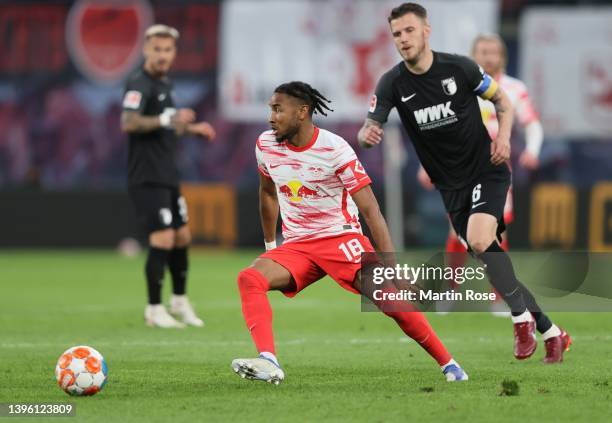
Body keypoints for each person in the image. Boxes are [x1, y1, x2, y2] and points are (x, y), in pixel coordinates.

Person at [358, 3, 570, 363]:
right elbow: (369, 128)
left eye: (410, 31)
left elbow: (502, 100)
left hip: (488, 169)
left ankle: (520, 320)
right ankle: (551, 330)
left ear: (426, 32)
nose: (403, 39)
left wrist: (503, 138)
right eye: (397, 34)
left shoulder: (459, 67)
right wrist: (368, 134)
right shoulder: (392, 82)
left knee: (480, 239)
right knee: (490, 257)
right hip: (450, 186)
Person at [231, 81, 468, 385]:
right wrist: (269, 245)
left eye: (278, 109)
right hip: (298, 245)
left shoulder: (335, 149)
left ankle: (450, 365)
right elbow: (267, 194)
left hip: (340, 238)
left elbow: (371, 212)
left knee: (389, 300)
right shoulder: (266, 145)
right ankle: (268, 361)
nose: (271, 117)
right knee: (249, 277)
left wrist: (393, 271)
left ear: (302, 112)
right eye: (270, 109)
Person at [416, 33, 545, 316]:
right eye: (483, 51)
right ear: (474, 55)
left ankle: (499, 296)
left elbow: (533, 124)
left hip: (495, 171)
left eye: (493, 51)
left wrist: (533, 150)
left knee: (496, 232)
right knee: (458, 232)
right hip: (459, 170)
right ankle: (450, 290)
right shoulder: (457, 86)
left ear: (502, 56)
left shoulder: (513, 89)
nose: (488, 56)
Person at [120, 24, 216, 328]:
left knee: (182, 236)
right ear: (146, 50)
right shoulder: (139, 83)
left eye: (167, 50)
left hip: (168, 174)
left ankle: (178, 300)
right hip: (147, 176)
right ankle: (153, 309)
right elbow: (128, 122)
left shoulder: (165, 84)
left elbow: (168, 124)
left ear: (173, 53)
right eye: (157, 49)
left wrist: (191, 129)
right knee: (162, 237)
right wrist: (167, 118)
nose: (162, 55)